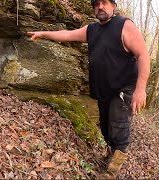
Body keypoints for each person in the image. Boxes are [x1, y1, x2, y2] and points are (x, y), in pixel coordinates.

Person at [27, 0, 150, 179]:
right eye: (96, 4)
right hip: (104, 90)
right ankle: (112, 154)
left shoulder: (124, 25)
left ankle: (111, 173)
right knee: (107, 130)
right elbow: (67, 35)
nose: (100, 6)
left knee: (119, 129)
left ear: (113, 6)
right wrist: (44, 33)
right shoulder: (91, 30)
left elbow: (143, 54)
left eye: (105, 2)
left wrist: (141, 89)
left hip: (124, 88)